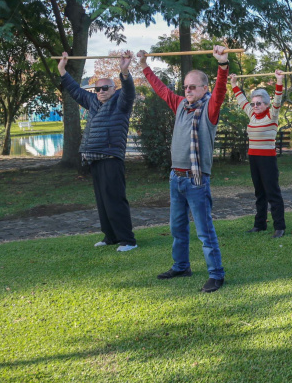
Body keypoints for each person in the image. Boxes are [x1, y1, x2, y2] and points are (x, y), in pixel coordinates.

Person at [140, 46, 230, 293]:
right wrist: (144, 65)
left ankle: (216, 275)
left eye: (192, 87)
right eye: (185, 87)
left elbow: (220, 91)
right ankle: (181, 266)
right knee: (177, 228)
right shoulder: (180, 105)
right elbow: (161, 89)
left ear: (204, 88)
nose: (187, 90)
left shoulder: (210, 109)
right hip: (176, 178)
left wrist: (222, 64)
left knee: (204, 231)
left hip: (196, 180)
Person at [57, 50, 137, 252]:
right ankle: (110, 237)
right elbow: (75, 90)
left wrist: (124, 72)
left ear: (113, 89)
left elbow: (129, 91)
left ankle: (128, 240)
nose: (101, 91)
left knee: (115, 199)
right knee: (102, 200)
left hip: (111, 157)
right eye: (97, 88)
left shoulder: (121, 102)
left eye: (105, 88)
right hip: (94, 157)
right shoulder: (92, 101)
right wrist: (62, 70)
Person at [230, 69, 286, 238]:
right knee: (259, 193)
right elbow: (241, 100)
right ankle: (259, 224)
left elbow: (278, 99)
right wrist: (233, 84)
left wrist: (279, 81)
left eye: (259, 103)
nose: (255, 106)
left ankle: (279, 227)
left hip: (267, 159)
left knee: (272, 193)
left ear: (266, 104)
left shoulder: (272, 115)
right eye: (253, 103)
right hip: (253, 158)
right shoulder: (252, 115)